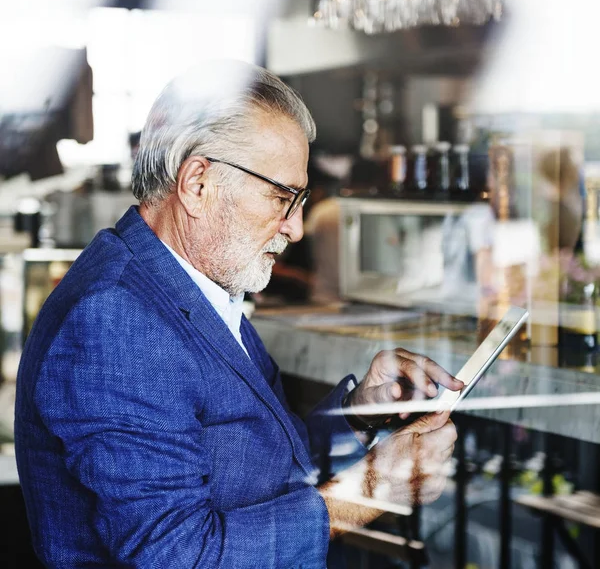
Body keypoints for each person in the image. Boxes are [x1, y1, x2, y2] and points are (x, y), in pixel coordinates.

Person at [14, 60, 462, 568]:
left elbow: (258, 465)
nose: (295, 228)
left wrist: (360, 417)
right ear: (198, 184)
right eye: (281, 197)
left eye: (300, 200)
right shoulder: (116, 321)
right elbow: (178, 555)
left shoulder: (187, 281)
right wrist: (372, 488)